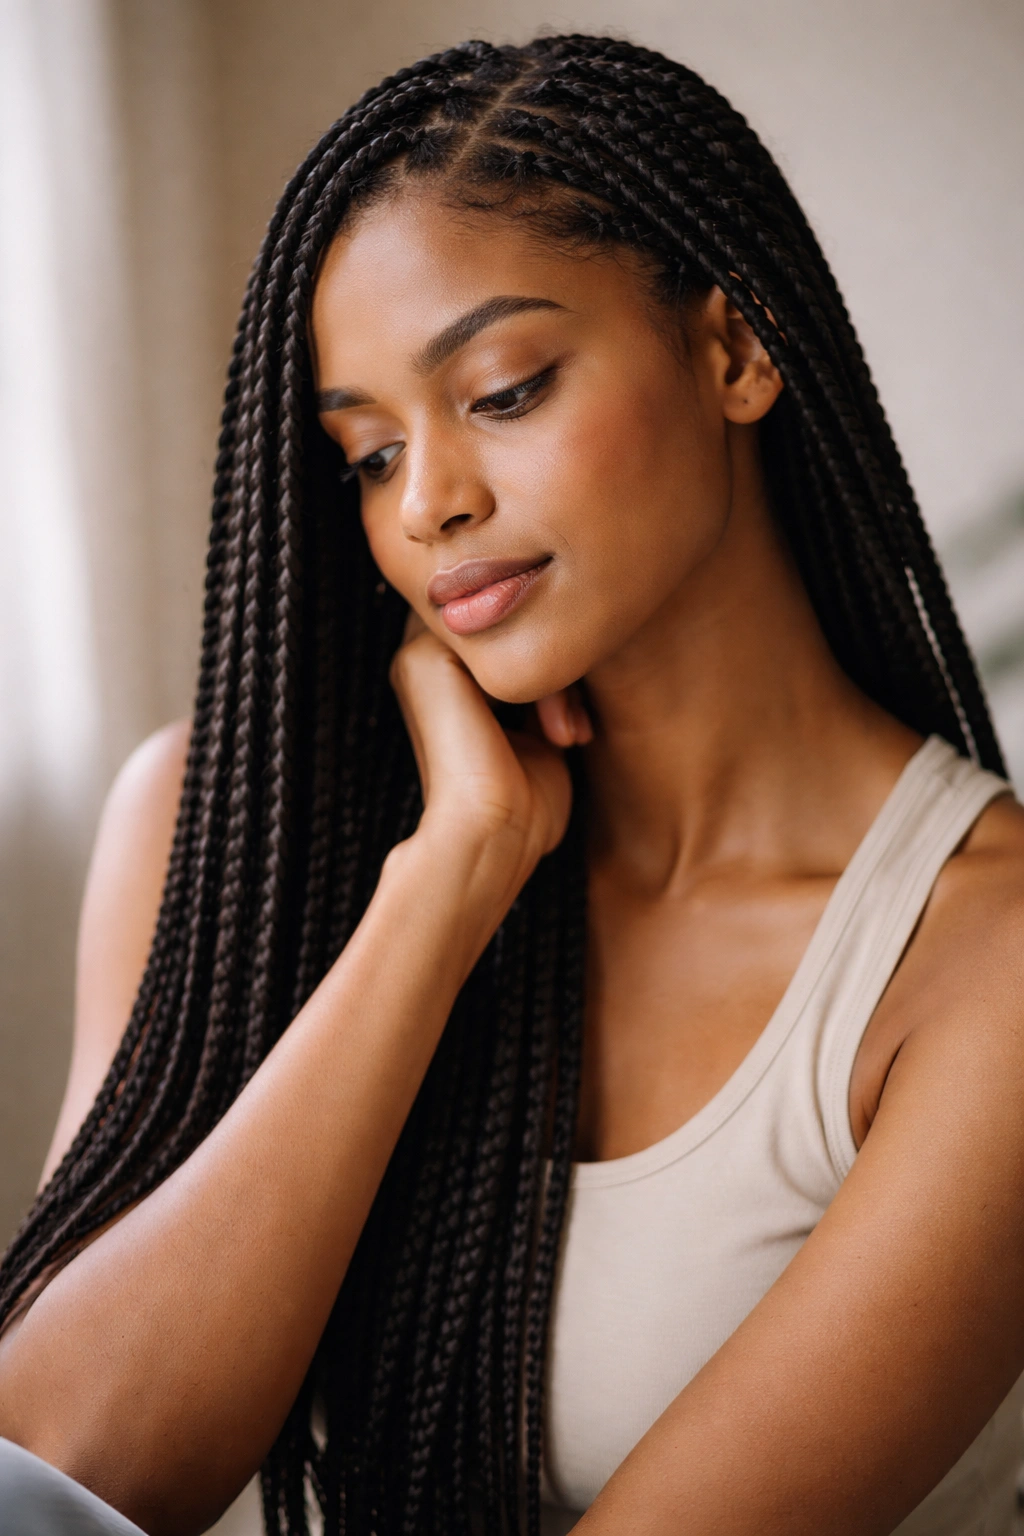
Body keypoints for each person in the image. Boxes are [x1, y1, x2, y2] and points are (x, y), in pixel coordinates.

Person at [1, 31, 1023, 1536]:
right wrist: (448, 881)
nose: (428, 505)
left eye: (504, 390)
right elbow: (60, 1476)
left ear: (735, 353)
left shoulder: (979, 974)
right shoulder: (213, 841)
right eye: (363, 455)